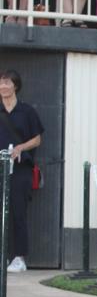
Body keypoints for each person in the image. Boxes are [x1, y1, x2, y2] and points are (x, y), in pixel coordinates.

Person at [0, 69, 44, 272]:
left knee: (18, 212)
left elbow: (37, 139)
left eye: (7, 82)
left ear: (15, 85)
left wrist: (20, 148)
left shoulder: (27, 111)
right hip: (1, 168)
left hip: (20, 170)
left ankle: (19, 258)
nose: (3, 86)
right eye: (1, 83)